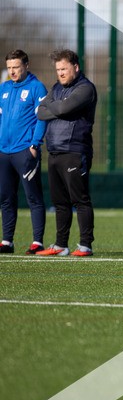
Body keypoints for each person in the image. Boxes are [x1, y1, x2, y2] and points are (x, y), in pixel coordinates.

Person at [35, 49, 97, 257]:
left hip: (75, 150)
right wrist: (57, 106)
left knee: (80, 200)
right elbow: (40, 112)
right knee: (60, 202)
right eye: (58, 69)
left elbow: (60, 109)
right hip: (54, 151)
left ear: (75, 67)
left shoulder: (86, 89)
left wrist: (55, 107)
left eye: (64, 69)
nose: (60, 73)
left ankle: (85, 245)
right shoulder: (56, 88)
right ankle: (61, 245)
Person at [0, 49, 48, 254]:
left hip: (26, 151)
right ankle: (7, 241)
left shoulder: (37, 87)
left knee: (33, 197)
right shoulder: (4, 88)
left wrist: (35, 144)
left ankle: (37, 242)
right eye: (9, 67)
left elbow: (42, 118)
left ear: (26, 66)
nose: (12, 71)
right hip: (4, 152)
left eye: (16, 67)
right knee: (5, 197)